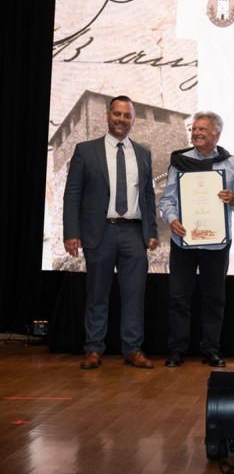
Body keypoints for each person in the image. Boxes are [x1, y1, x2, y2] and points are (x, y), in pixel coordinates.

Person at [63, 95, 159, 370]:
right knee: (97, 294)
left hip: (133, 233)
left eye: (127, 115)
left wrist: (151, 230)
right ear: (108, 115)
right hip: (99, 233)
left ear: (133, 120)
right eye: (117, 114)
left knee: (134, 295)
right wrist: (71, 232)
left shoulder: (142, 153)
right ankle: (94, 349)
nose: (121, 119)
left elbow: (148, 195)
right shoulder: (85, 150)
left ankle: (132, 349)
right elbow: (73, 194)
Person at [159, 111, 234, 368]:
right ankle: (177, 349)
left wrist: (233, 199)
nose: (196, 133)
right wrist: (172, 220)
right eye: (194, 129)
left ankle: (211, 349)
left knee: (214, 298)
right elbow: (167, 200)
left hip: (216, 243)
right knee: (178, 297)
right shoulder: (180, 161)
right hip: (183, 241)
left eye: (202, 130)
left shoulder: (230, 163)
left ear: (216, 135)